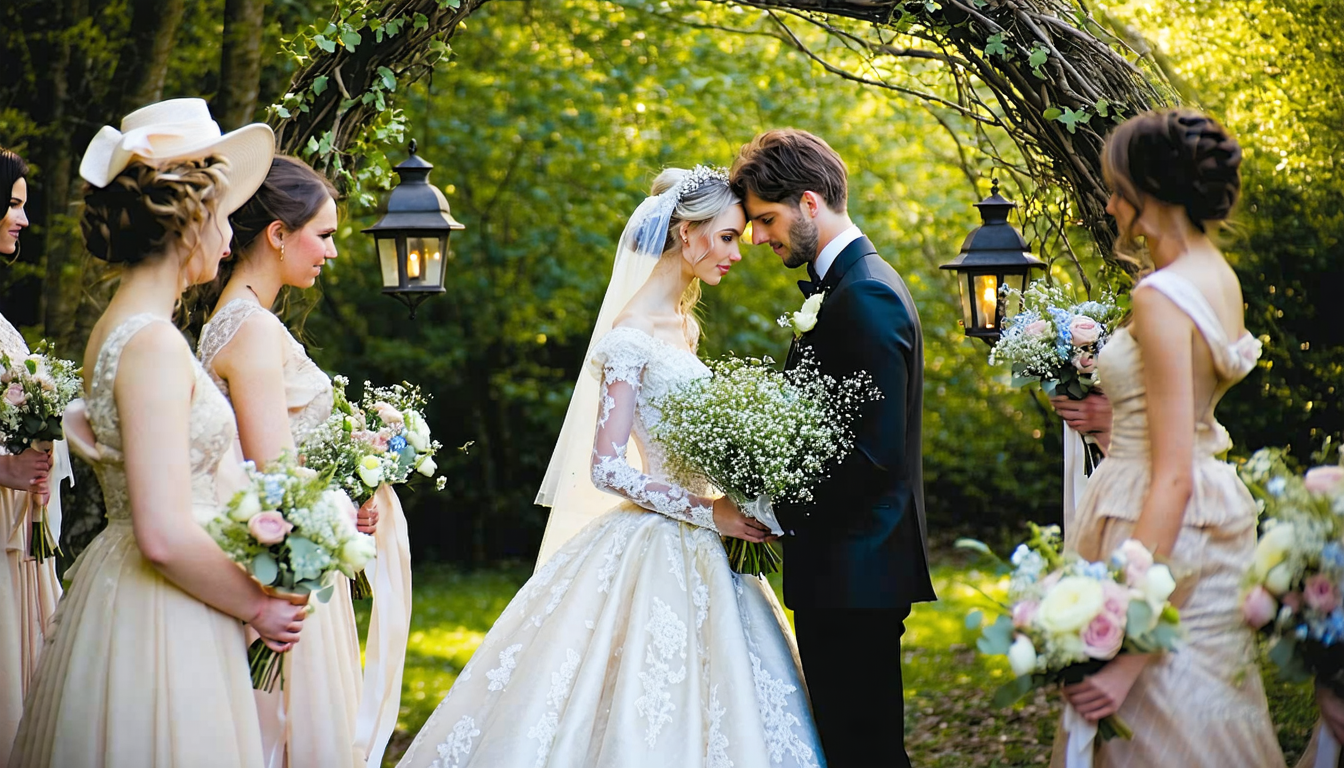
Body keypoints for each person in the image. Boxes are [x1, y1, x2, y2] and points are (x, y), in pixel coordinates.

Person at [395, 165, 824, 768]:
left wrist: (747, 483)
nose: (740, 250)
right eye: (727, 236)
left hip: (712, 546)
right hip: (662, 539)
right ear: (686, 234)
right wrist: (710, 512)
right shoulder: (630, 336)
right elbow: (607, 467)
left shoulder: (683, 326)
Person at [8, 98, 307, 768]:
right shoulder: (151, 345)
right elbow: (164, 532)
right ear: (190, 215)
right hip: (159, 614)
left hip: (149, 595)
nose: (230, 239)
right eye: (225, 217)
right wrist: (257, 608)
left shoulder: (127, 330)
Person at [1047, 108, 1283, 767]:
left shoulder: (1162, 295)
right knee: (1210, 720)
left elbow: (1172, 471)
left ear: (1144, 189)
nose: (1109, 201)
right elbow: (1183, 419)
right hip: (1206, 508)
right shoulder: (1216, 275)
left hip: (1157, 517)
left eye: (1115, 185)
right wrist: (1107, 421)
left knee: (1154, 735)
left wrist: (1127, 640)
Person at [730, 128, 935, 768]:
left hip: (857, 572)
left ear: (811, 203)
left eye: (767, 219)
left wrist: (775, 508)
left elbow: (874, 457)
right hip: (846, 570)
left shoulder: (865, 294)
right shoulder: (844, 287)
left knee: (866, 753)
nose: (757, 237)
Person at [196, 155, 407, 768]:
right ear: (278, 234)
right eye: (325, 235)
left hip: (295, 558)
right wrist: (345, 503)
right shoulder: (251, 330)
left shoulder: (241, 321)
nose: (333, 252)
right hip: (287, 574)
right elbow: (276, 479)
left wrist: (351, 480)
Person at [0, 145, 65, 767]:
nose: (22, 219)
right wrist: (4, 468)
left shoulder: (4, 326)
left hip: (19, 537)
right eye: (14, 205)